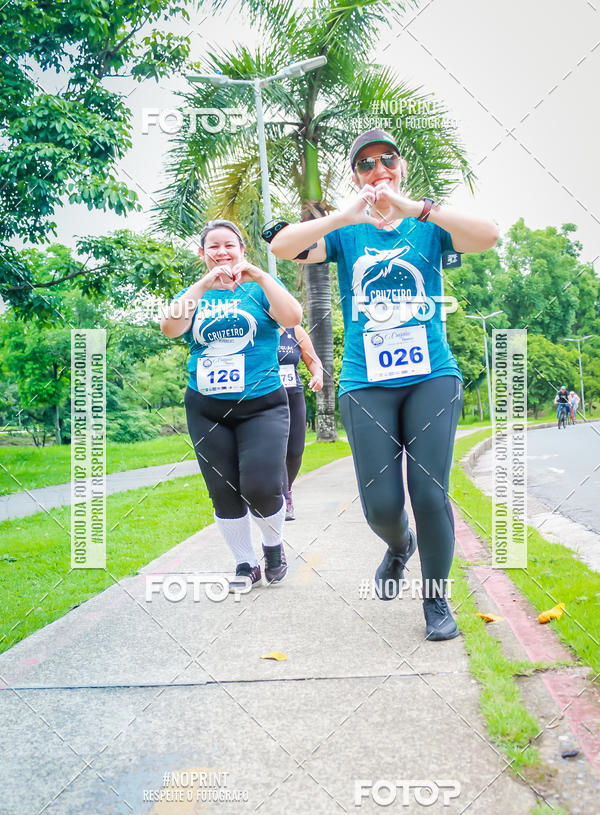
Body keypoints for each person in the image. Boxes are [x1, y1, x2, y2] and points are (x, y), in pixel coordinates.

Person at [271, 128, 499, 641]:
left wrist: (415, 206)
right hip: (365, 381)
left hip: (431, 377)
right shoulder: (346, 234)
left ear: (401, 167)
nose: (379, 170)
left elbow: (488, 235)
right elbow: (285, 246)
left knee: (429, 491)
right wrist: (346, 214)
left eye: (387, 160)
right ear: (355, 175)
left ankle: (436, 601)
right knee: (381, 506)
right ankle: (399, 547)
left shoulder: (429, 226)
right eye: (367, 164)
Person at [160, 219, 302, 589]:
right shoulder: (196, 292)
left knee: (260, 486)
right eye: (214, 247)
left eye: (229, 246)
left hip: (262, 403)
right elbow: (170, 327)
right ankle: (245, 564)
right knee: (222, 491)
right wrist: (205, 283)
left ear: (242, 249)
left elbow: (292, 318)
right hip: (207, 406)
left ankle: (273, 546)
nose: (222, 252)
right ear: (203, 253)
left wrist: (260, 276)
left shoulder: (260, 288)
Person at [278, 325, 324, 519]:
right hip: (265, 399)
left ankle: (286, 489)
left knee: (295, 451)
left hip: (293, 397)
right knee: (274, 450)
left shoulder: (295, 331)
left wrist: (318, 375)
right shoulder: (255, 325)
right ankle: (282, 499)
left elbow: (313, 361)